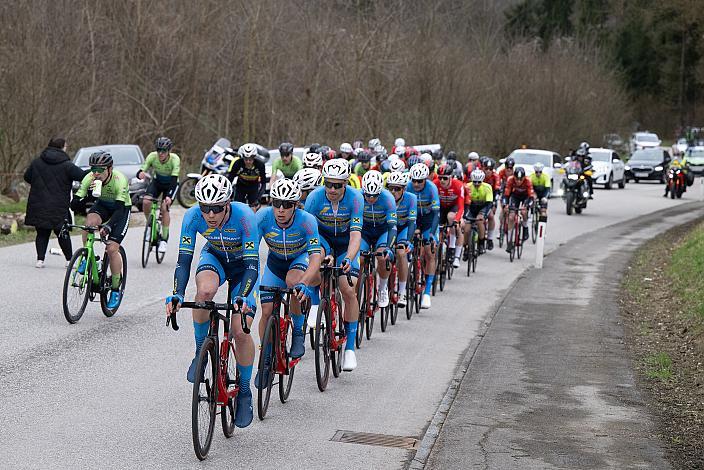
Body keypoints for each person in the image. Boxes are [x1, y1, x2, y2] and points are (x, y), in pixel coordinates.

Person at [165, 174, 259, 428]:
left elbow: (252, 265)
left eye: (217, 208)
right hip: (215, 257)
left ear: (228, 203)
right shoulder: (193, 217)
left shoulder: (245, 217)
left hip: (243, 269)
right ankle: (200, 351)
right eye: (205, 208)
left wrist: (243, 297)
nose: (210, 214)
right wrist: (177, 294)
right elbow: (184, 261)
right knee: (204, 293)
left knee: (240, 331)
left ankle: (245, 390)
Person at [255, 179, 322, 385]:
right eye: (277, 203)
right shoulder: (263, 217)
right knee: (266, 309)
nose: (281, 209)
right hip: (275, 263)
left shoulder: (307, 220)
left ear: (296, 205)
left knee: (293, 282)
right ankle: (265, 359)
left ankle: (299, 332)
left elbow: (316, 256)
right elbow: (251, 254)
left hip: (298, 259)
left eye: (287, 205)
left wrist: (306, 281)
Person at [304, 159, 363, 371]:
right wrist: (324, 252)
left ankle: (349, 349)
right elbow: (309, 233)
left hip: (346, 242)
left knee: (348, 288)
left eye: (337, 185)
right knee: (316, 258)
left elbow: (356, 235)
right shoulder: (314, 197)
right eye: (328, 183)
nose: (332, 189)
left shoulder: (356, 198)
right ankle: (313, 303)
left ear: (346, 183)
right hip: (323, 240)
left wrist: (348, 258)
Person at [70, 151, 130, 309]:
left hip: (121, 210)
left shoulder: (120, 180)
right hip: (102, 205)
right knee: (88, 224)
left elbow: (119, 209)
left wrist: (108, 226)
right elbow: (74, 205)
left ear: (109, 169)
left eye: (100, 169)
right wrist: (87, 195)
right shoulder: (89, 178)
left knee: (111, 248)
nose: (96, 173)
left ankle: (116, 288)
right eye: (93, 169)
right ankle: (89, 258)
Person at [24, 137, 86, 268]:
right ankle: (69, 260)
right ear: (62, 147)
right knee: (62, 232)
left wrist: (39, 185)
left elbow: (27, 177)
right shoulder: (67, 165)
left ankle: (40, 260)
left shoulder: (37, 162)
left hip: (39, 203)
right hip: (58, 205)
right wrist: (95, 171)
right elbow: (81, 176)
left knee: (41, 232)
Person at [360, 170, 397, 308]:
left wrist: (389, 247)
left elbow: (393, 226)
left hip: (383, 231)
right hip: (365, 232)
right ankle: (356, 294)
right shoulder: (358, 196)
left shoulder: (388, 198)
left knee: (382, 257)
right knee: (360, 259)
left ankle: (382, 288)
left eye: (374, 196)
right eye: (367, 195)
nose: (370, 198)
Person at [406, 163, 440, 309]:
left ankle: (426, 292)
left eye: (420, 181)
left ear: (425, 180)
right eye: (414, 180)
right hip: (413, 220)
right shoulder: (407, 187)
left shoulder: (432, 188)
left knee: (429, 252)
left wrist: (431, 234)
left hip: (428, 221)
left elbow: (436, 214)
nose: (416, 184)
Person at [138, 136, 180, 253]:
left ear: (169, 151)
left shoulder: (174, 159)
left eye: (164, 151)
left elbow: (174, 179)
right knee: (146, 201)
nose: (161, 153)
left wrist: (169, 197)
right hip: (157, 182)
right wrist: (140, 173)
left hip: (171, 184)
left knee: (164, 207)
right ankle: (151, 226)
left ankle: (164, 239)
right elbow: (142, 169)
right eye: (159, 150)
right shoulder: (152, 156)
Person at [387, 171, 416, 307]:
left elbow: (412, 223)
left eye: (397, 189)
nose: (393, 191)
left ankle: (402, 292)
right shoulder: (386, 197)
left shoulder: (411, 198)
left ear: (403, 189)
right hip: (389, 228)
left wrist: (409, 241)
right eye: (390, 188)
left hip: (404, 229)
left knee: (401, 253)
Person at [434, 164, 464, 268]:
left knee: (452, 219)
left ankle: (454, 253)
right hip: (441, 207)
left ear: (451, 177)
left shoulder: (458, 185)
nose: (442, 180)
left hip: (454, 207)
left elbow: (461, 207)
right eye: (440, 178)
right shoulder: (435, 184)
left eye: (445, 178)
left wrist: (456, 220)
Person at [504, 167, 534, 252]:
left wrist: (527, 206)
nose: (518, 181)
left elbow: (531, 197)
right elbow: (506, 195)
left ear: (524, 177)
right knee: (511, 217)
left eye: (521, 179)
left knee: (524, 212)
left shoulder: (528, 181)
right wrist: (505, 205)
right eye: (517, 179)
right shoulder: (510, 179)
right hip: (515, 196)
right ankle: (510, 241)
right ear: (514, 177)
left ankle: (525, 227)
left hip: (526, 197)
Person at [228, 143, 266, 210]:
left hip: (253, 186)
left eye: (250, 159)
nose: (248, 162)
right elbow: (229, 179)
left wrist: (259, 198)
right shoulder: (237, 163)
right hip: (241, 185)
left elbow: (263, 183)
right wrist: (229, 195)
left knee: (253, 207)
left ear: (254, 157)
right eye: (246, 159)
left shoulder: (260, 165)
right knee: (237, 207)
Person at [463, 169, 494, 253]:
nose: (476, 184)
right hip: (471, 207)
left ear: (482, 180)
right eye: (475, 182)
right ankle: (465, 247)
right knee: (466, 229)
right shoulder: (467, 186)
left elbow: (489, 203)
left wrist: (483, 214)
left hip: (483, 206)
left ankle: (481, 243)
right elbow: (463, 202)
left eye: (479, 182)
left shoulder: (487, 187)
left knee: (480, 221)